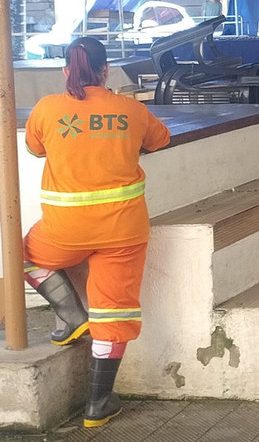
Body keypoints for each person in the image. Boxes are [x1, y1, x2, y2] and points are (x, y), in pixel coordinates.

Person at [22, 37, 171, 428]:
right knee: (113, 310)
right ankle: (97, 406)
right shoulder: (130, 108)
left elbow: (36, 149)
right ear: (105, 70)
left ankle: (70, 316)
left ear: (67, 70)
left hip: (63, 231)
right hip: (123, 231)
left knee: (22, 255)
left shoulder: (48, 108)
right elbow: (160, 140)